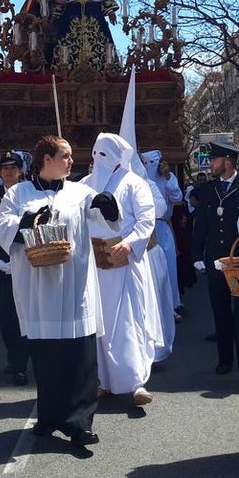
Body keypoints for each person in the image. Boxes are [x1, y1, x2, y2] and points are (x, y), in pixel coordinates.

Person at [0, 135, 113, 447]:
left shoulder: (81, 191)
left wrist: (106, 205)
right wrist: (29, 220)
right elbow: (1, 227)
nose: (72, 162)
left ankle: (80, 422)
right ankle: (49, 415)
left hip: (75, 287)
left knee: (80, 357)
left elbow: (105, 219)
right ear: (46, 159)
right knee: (48, 358)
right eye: (66, 156)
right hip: (40, 286)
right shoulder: (19, 192)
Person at [83, 133, 161, 406]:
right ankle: (103, 380)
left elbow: (146, 219)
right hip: (96, 264)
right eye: (95, 152)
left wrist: (129, 244)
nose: (97, 158)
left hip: (125, 263)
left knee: (129, 320)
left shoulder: (134, 184)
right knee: (100, 323)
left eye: (104, 153)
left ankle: (137, 382)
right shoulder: (84, 184)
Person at [192, 141, 239, 386]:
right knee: (220, 311)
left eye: (214, 160)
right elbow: (201, 224)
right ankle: (225, 359)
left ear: (227, 162)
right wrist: (197, 256)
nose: (210, 164)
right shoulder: (208, 190)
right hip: (216, 260)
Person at [0, 152, 30, 384]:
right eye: (5, 168)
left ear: (21, 171)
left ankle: (22, 364)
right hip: (1, 264)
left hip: (26, 261)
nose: (9, 172)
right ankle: (13, 359)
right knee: (7, 316)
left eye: (13, 168)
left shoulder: (29, 194)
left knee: (26, 313)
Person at [142, 150, 184, 316]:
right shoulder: (140, 179)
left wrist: (167, 177)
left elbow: (177, 197)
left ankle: (172, 305)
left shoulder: (167, 178)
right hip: (146, 229)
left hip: (163, 227)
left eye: (152, 163)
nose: (149, 167)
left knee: (168, 267)